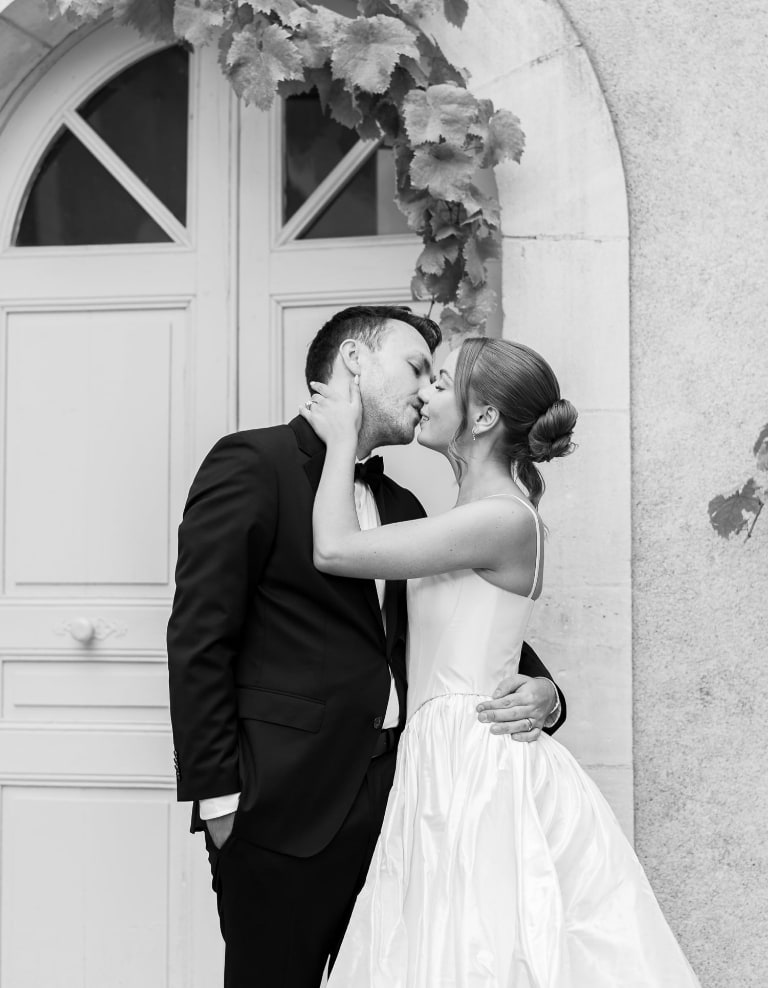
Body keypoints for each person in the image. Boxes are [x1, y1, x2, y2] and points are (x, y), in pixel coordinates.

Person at [166, 306, 566, 988]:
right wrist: (221, 803)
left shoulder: (405, 504)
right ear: (355, 360)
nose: (422, 389)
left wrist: (547, 692)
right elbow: (200, 636)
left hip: (405, 812)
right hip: (283, 811)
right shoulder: (253, 463)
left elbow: (463, 624)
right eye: (415, 367)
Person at [301, 335, 702, 988]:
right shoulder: (472, 516)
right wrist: (546, 689)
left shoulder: (502, 519)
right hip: (441, 756)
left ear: (484, 416)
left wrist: (343, 439)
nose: (423, 392)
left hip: (474, 762)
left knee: (478, 947)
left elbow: (337, 551)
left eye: (440, 380)